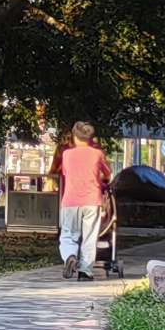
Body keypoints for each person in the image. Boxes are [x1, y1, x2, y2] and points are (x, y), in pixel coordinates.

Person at [57, 120, 111, 280]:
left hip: (70, 200)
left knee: (68, 234)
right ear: (90, 138)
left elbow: (65, 173)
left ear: (74, 136)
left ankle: (70, 256)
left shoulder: (67, 154)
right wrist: (102, 179)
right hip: (92, 200)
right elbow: (107, 174)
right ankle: (85, 271)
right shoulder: (98, 154)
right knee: (89, 237)